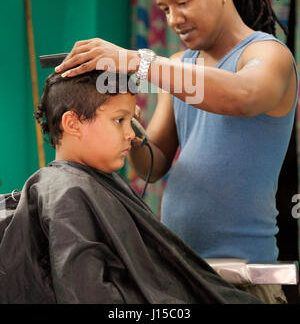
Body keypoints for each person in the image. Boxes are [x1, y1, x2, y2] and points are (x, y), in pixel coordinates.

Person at [54, 0, 298, 304]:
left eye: (182, 2)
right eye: (165, 8)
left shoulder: (267, 55)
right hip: (179, 272)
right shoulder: (181, 66)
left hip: (245, 281)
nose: (173, 19)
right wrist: (129, 127)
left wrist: (141, 62)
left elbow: (244, 96)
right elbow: (153, 167)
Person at [0, 69, 261, 304]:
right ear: (72, 124)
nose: (133, 134)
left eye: (131, 120)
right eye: (119, 120)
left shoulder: (92, 184)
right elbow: (87, 294)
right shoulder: (68, 193)